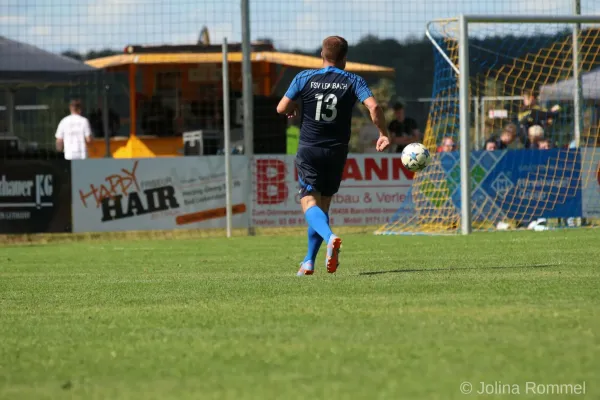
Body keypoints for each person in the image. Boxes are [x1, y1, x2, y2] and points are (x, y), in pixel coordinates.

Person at [276, 35, 390, 276]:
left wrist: (295, 107)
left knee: (309, 202)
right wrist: (383, 133)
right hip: (336, 150)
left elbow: (281, 108)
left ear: (321, 54)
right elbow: (374, 107)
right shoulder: (353, 79)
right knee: (324, 205)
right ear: (345, 59)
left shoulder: (304, 77)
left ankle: (329, 237)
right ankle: (308, 261)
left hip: (310, 149)